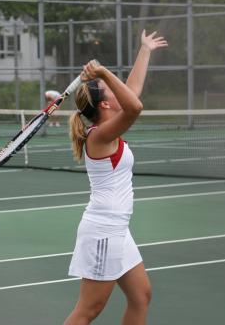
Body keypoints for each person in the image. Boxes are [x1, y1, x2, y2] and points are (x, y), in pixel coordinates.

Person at [64, 30, 167, 325]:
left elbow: (131, 96)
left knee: (141, 296)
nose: (117, 88)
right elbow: (135, 105)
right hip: (103, 231)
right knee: (89, 310)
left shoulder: (111, 128)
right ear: (106, 104)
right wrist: (103, 73)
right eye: (110, 88)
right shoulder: (100, 136)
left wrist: (144, 49)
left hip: (118, 229)